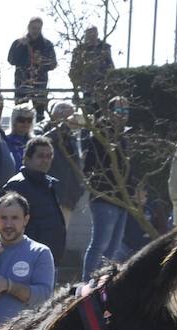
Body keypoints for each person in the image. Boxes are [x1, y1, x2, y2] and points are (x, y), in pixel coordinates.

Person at [0, 192, 55, 330]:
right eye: (3, 218)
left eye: (15, 218)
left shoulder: (40, 252)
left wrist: (7, 285)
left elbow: (44, 297)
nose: (8, 224)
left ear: (26, 220)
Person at [81, 96, 134, 277]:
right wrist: (103, 191)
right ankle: (85, 284)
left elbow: (127, 170)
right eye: (118, 111)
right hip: (104, 198)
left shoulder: (124, 137)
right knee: (99, 245)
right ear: (110, 112)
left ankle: (101, 285)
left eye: (126, 111)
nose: (122, 115)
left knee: (113, 247)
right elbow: (89, 169)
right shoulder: (99, 135)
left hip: (122, 200)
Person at [4, 136, 66, 263]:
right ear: (27, 158)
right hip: (27, 257)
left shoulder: (50, 184)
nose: (45, 160)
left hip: (50, 255)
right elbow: (9, 225)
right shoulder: (17, 185)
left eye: (49, 156)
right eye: (40, 156)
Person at [41, 101, 84, 225]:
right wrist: (63, 126)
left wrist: (78, 190)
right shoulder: (44, 129)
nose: (72, 121)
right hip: (51, 197)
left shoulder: (71, 137)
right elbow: (41, 142)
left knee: (60, 240)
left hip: (68, 198)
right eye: (69, 117)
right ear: (56, 115)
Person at [8, 16, 56, 117]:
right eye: (33, 28)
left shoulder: (47, 45)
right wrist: (21, 48)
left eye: (38, 28)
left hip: (40, 84)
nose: (35, 31)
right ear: (28, 27)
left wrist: (41, 63)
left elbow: (53, 64)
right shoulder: (18, 43)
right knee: (20, 113)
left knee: (39, 114)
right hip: (22, 83)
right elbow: (11, 60)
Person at [68, 26, 113, 114]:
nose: (92, 36)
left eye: (94, 33)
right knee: (89, 112)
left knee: (101, 112)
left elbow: (110, 65)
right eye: (89, 34)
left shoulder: (104, 48)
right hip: (86, 86)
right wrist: (76, 85)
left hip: (102, 85)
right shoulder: (79, 50)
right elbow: (73, 69)